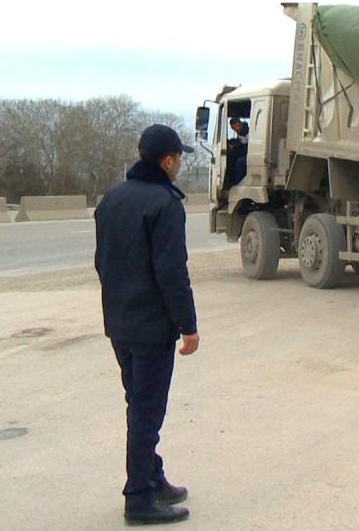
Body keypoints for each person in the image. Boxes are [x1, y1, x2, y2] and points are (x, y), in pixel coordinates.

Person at [95, 124, 200, 525]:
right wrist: (187, 325)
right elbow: (172, 272)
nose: (179, 164)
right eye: (178, 158)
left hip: (120, 323)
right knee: (146, 411)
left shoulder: (112, 198)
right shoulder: (165, 203)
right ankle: (138, 498)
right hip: (152, 328)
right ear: (167, 160)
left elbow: (102, 261)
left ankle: (153, 477)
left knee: (138, 404)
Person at [225, 118, 249, 188]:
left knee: (239, 162)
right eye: (233, 128)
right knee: (230, 159)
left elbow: (246, 146)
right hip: (243, 153)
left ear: (241, 124)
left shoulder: (248, 132)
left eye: (237, 126)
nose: (236, 129)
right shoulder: (239, 134)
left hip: (250, 155)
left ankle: (238, 183)